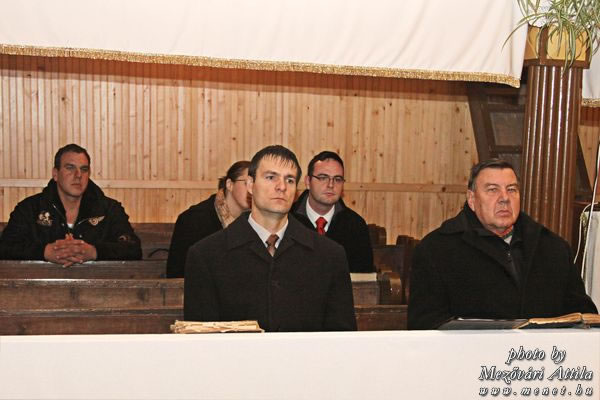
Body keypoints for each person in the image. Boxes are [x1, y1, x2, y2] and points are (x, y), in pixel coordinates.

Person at [408, 158, 597, 330]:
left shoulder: (552, 248)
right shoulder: (437, 250)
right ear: (472, 199)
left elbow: (584, 315)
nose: (505, 198)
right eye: (493, 190)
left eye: (511, 189)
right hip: (470, 355)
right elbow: (424, 324)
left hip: (543, 355)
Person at [184, 145, 357, 332]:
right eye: (271, 177)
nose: (281, 187)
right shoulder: (207, 255)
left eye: (289, 180)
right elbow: (201, 342)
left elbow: (342, 338)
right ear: (250, 185)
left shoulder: (330, 256)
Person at [0, 143, 141, 266]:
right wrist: (45, 252)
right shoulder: (29, 209)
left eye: (84, 169)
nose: (78, 175)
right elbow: (5, 246)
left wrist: (94, 252)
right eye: (70, 168)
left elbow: (133, 249)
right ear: (55, 174)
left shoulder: (110, 209)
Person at [291, 151, 374, 273]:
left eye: (337, 179)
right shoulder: (287, 220)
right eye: (323, 178)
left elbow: (363, 278)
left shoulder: (355, 225)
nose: (331, 185)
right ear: (308, 182)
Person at [167, 161, 251, 278]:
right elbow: (177, 271)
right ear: (229, 184)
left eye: (257, 185)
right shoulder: (193, 219)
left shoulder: (257, 220)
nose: (252, 190)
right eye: (247, 183)